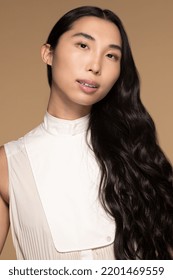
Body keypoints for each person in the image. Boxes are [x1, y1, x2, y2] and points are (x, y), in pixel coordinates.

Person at [0, 6, 173, 260]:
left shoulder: (137, 155)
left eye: (111, 56)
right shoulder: (8, 164)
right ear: (49, 54)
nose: (95, 65)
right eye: (83, 45)